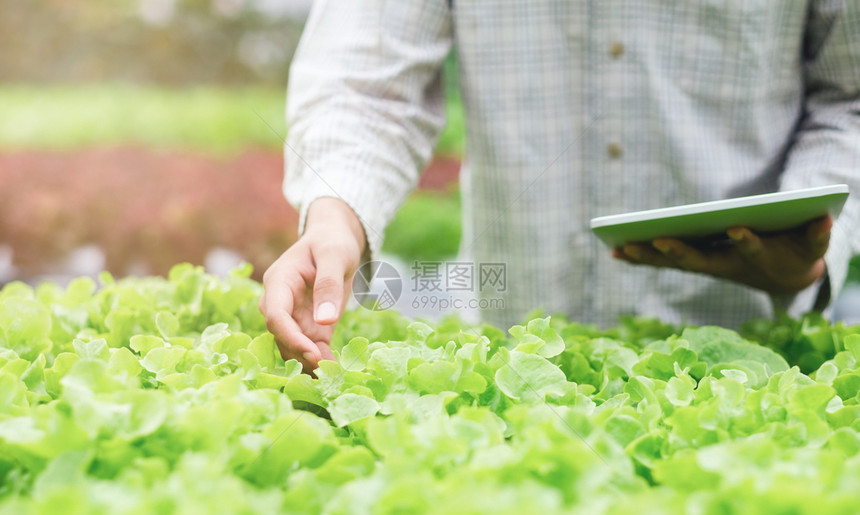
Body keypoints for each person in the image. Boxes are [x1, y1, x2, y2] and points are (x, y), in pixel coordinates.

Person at [259, 0, 860, 370]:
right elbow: (368, 83)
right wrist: (337, 215)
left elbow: (850, 96)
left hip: (755, 348)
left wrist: (813, 254)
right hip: (511, 352)